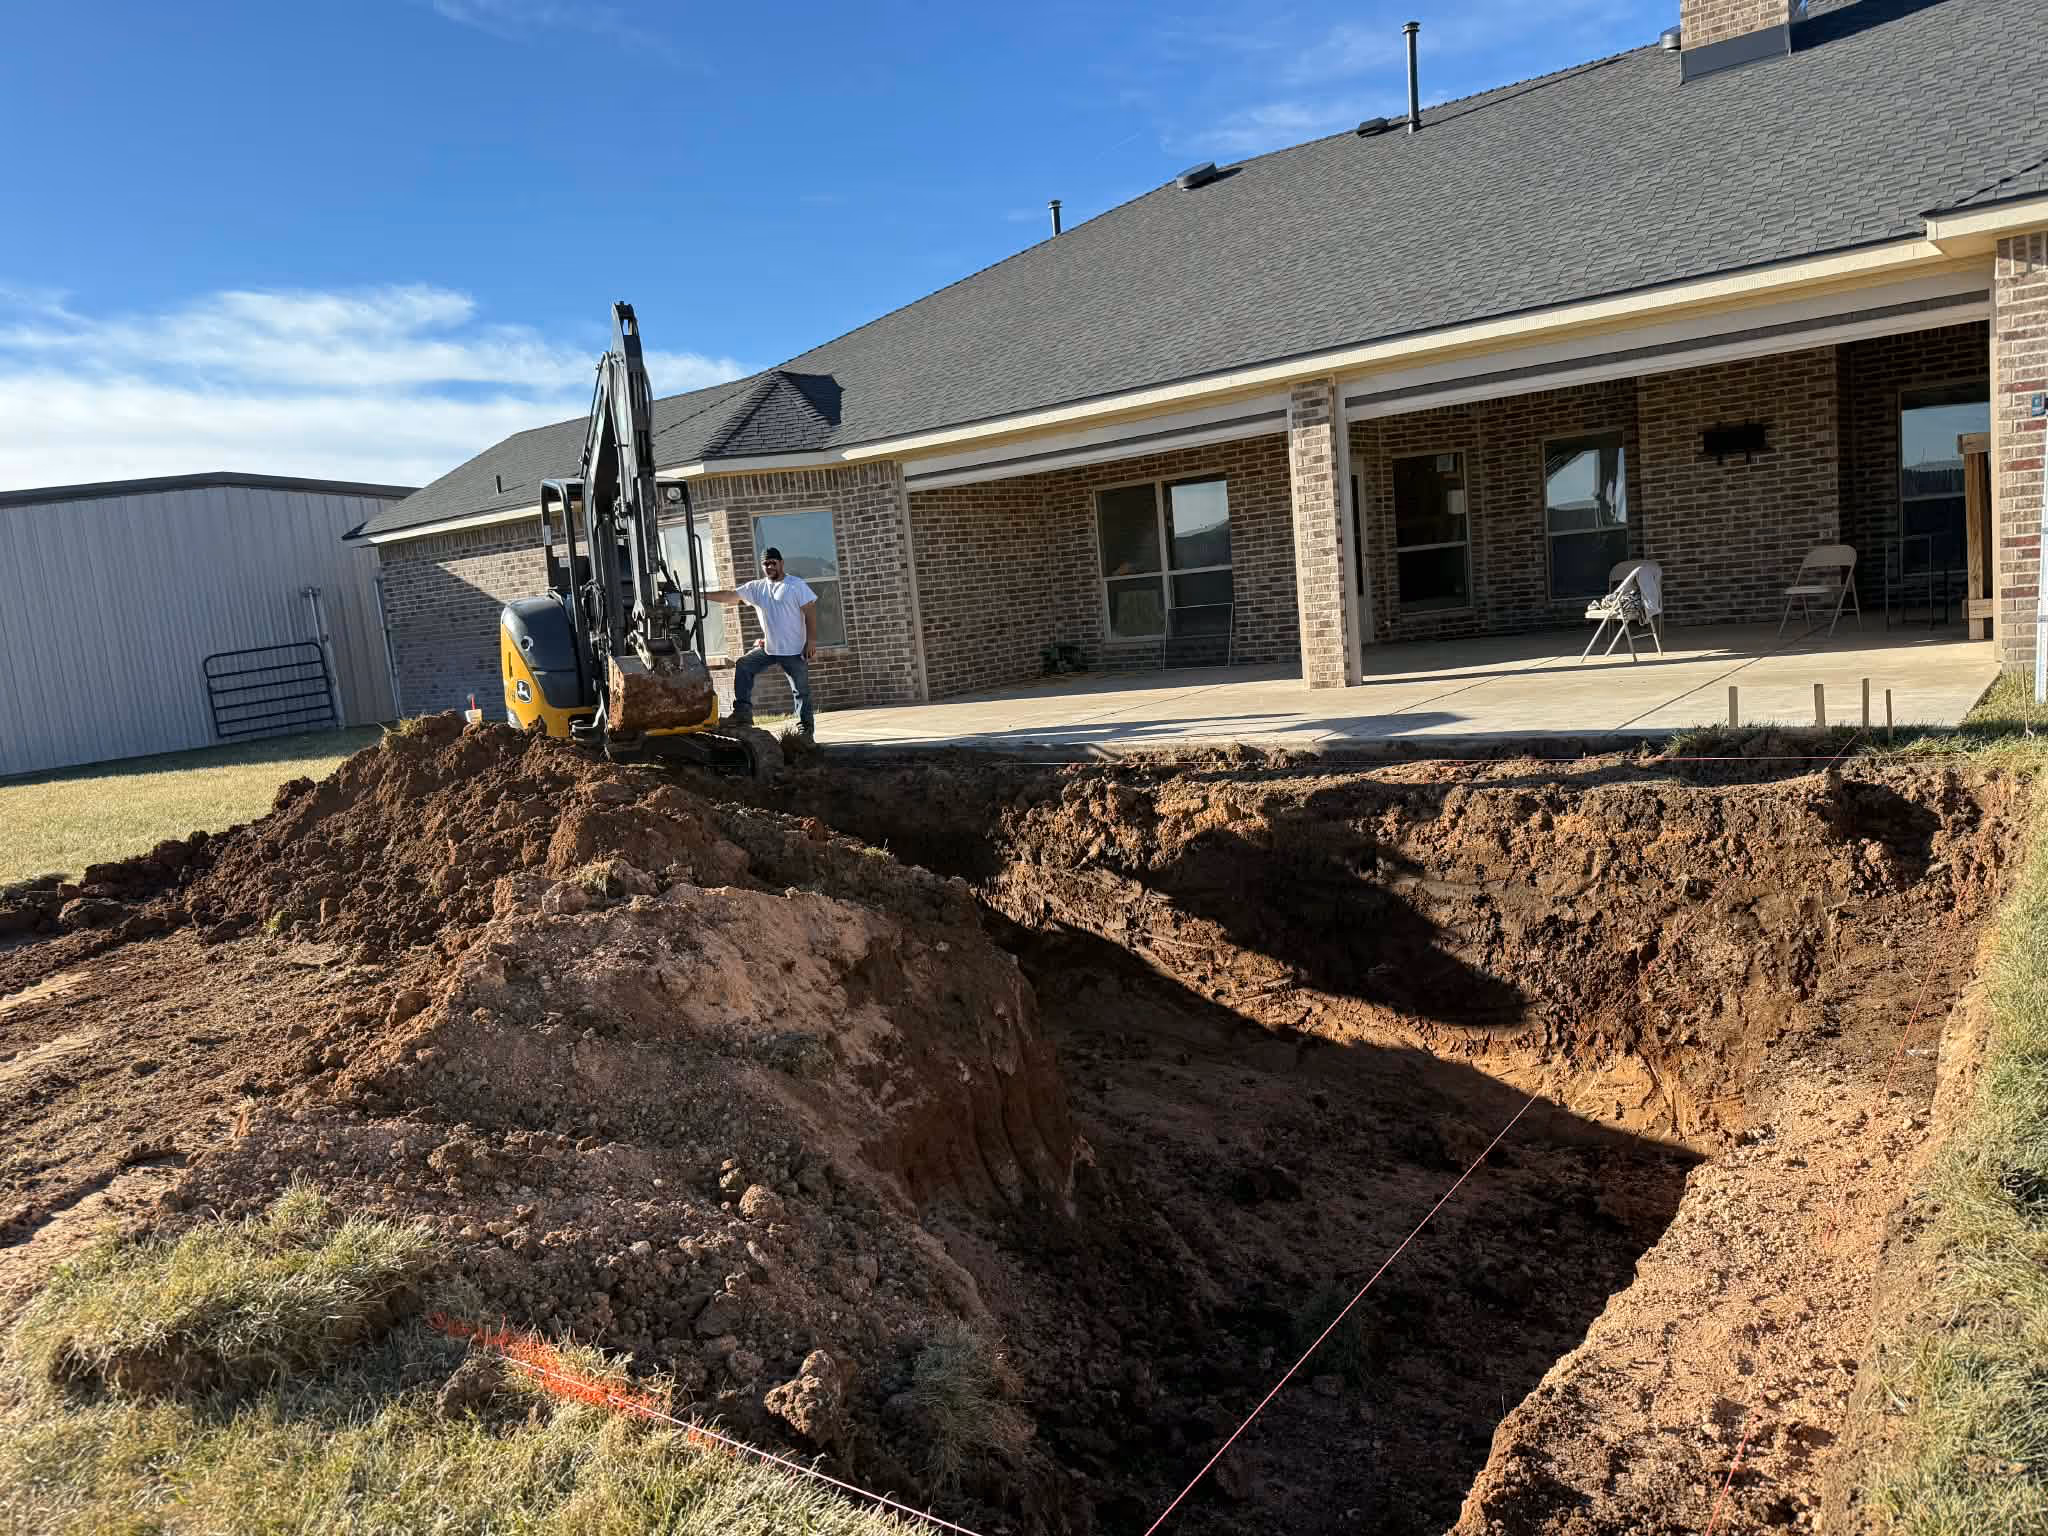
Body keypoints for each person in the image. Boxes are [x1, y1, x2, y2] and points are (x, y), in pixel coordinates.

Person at [705, 547, 818, 736]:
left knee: (801, 692)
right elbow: (729, 596)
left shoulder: (795, 585)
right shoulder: (757, 588)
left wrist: (811, 641)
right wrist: (700, 594)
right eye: (766, 564)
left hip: (794, 651)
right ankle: (742, 713)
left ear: (781, 563)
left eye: (773, 562)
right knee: (744, 665)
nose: (770, 566)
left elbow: (811, 612)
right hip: (769, 648)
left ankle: (805, 732)